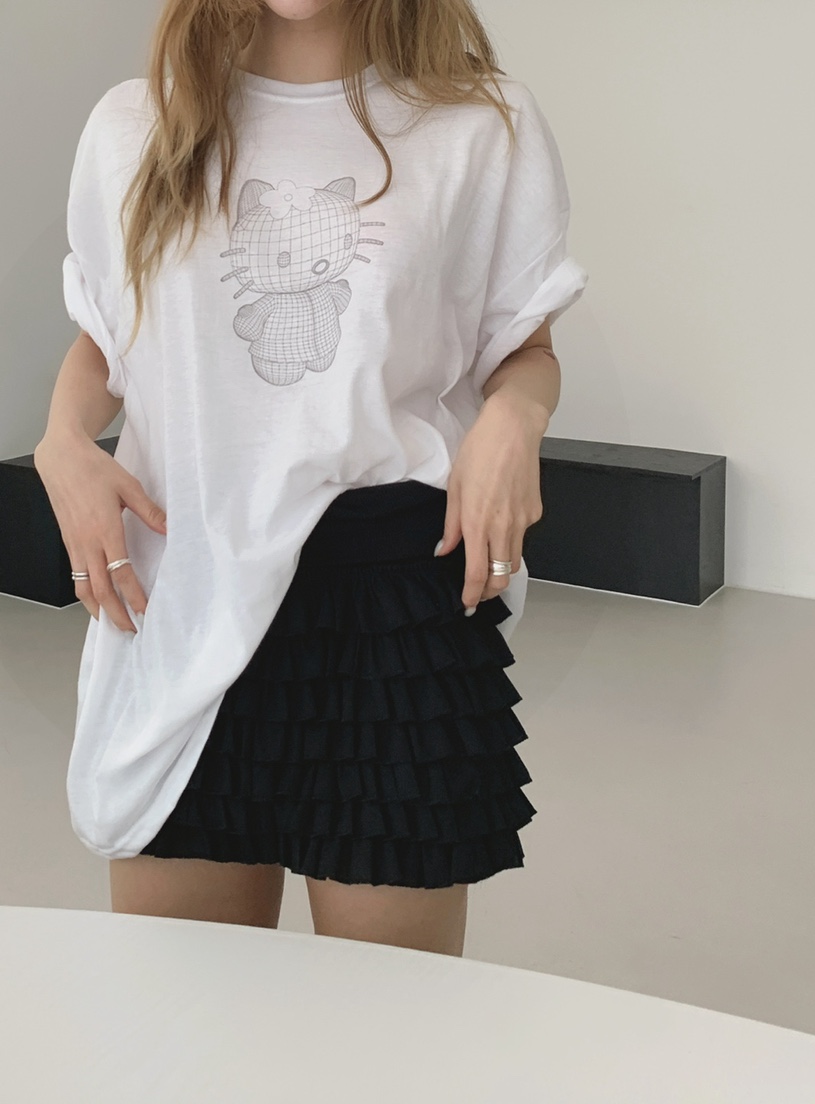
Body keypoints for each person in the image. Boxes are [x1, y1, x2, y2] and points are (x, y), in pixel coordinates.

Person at [34, 0, 588, 957]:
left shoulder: (480, 124)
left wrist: (514, 419)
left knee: (386, 1022)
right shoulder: (134, 126)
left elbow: (524, 349)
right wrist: (62, 440)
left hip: (391, 610)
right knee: (182, 1018)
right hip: (185, 591)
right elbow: (107, 342)